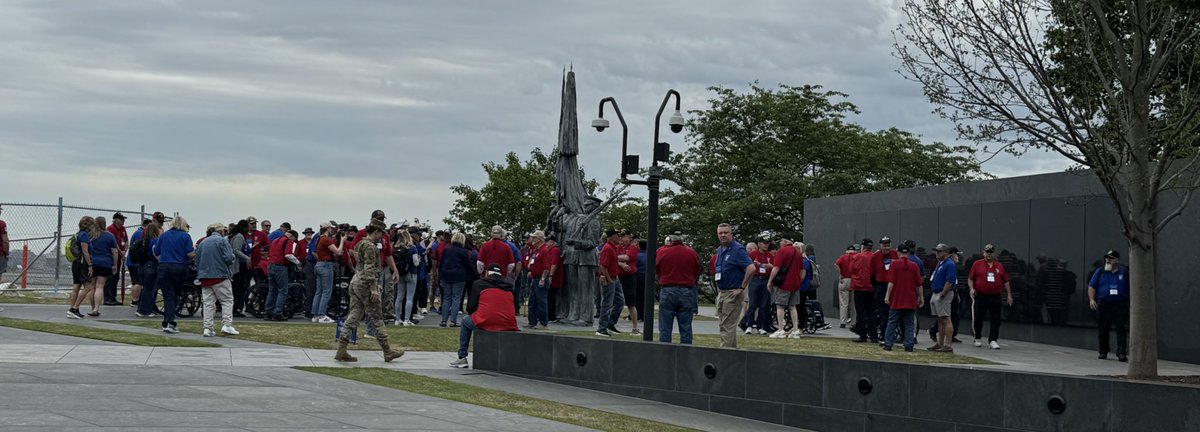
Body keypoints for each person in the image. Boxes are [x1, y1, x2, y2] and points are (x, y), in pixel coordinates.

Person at [334, 219, 404, 363]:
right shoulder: (371, 247)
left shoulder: (360, 244)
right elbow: (370, 269)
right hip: (365, 284)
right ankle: (387, 350)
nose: (381, 237)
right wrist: (374, 287)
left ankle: (341, 349)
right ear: (376, 231)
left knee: (353, 315)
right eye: (381, 233)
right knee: (377, 317)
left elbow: (355, 256)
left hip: (356, 281)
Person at [450, 264, 520, 368]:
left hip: (486, 320)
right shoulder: (509, 286)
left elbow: (471, 306)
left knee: (465, 322)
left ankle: (462, 357)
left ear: (487, 272)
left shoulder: (479, 284)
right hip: (508, 322)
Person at [714, 223, 755, 348]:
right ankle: (731, 352)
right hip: (722, 292)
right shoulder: (720, 250)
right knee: (724, 324)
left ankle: (725, 352)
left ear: (731, 234)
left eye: (726, 232)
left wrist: (741, 288)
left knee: (728, 325)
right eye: (720, 233)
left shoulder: (738, 249)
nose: (723, 235)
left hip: (732, 292)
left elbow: (751, 268)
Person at [656, 229, 701, 344]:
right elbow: (696, 271)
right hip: (686, 290)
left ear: (670, 238)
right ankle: (686, 355)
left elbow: (656, 269)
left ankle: (665, 353)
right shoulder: (691, 253)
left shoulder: (662, 252)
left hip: (667, 289)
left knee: (665, 326)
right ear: (683, 238)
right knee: (686, 326)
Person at [195, 223, 239, 337]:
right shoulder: (222, 241)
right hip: (220, 275)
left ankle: (207, 328)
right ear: (221, 231)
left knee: (208, 304)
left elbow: (197, 260)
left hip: (204, 276)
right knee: (227, 300)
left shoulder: (203, 242)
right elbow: (229, 257)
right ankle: (227, 325)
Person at [153, 216, 194, 334]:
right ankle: (170, 322)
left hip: (164, 267)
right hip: (180, 267)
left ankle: (167, 321)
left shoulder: (164, 235)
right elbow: (190, 253)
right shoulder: (185, 236)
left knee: (168, 295)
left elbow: (156, 251)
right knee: (175, 295)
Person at [1089, 250, 1130, 362]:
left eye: (1111, 258)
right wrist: (1092, 299)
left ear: (1117, 260)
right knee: (1103, 328)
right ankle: (1103, 351)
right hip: (1104, 304)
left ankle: (1121, 352)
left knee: (1121, 328)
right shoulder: (1100, 271)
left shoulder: (1124, 272)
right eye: (1107, 258)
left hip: (1120, 304)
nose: (1108, 260)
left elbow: (1131, 288)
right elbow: (1092, 286)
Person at [968, 244, 1012, 349]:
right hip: (981, 295)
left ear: (994, 253)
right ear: (983, 253)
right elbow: (970, 278)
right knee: (978, 318)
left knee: (996, 319)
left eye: (991, 252)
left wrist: (1009, 295)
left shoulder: (999, 266)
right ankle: (977, 337)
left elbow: (1006, 281)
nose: (989, 254)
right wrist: (971, 288)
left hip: (996, 296)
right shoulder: (977, 264)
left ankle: (993, 340)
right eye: (987, 252)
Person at [883, 243, 924, 352]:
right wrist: (921, 297)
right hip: (910, 300)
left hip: (897, 299)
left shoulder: (894, 265)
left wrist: (887, 296)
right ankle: (909, 345)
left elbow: (891, 283)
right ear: (908, 253)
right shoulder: (914, 266)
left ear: (898, 252)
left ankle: (888, 343)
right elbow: (919, 284)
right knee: (909, 323)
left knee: (892, 322)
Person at [767, 238, 807, 338]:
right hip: (795, 284)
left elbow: (776, 268)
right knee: (792, 307)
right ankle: (795, 330)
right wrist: (799, 281)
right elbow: (802, 271)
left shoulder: (782, 251)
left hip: (783, 283)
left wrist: (770, 281)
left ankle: (781, 330)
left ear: (783, 242)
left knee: (780, 306)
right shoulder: (798, 253)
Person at [81, 216, 118, 317]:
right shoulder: (109, 236)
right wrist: (115, 264)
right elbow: (114, 252)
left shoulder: (91, 236)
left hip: (93, 263)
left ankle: (93, 308)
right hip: (105, 263)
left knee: (92, 287)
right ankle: (97, 308)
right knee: (100, 286)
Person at [439, 232, 475, 327]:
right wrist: (473, 274)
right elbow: (468, 264)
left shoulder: (446, 250)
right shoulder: (463, 251)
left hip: (446, 275)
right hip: (459, 276)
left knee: (446, 298)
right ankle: (453, 321)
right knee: (456, 298)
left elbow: (441, 262)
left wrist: (440, 274)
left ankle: (444, 320)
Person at [311, 223, 344, 323]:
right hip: (326, 265)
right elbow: (338, 252)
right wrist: (342, 241)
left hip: (319, 264)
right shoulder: (325, 239)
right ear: (328, 228)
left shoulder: (319, 239)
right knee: (326, 292)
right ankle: (322, 315)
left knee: (319, 291)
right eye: (331, 228)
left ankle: (316, 315)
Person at [928, 243, 958, 353]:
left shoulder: (949, 264)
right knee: (940, 319)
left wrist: (943, 294)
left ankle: (948, 345)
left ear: (946, 252)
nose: (937, 253)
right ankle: (940, 343)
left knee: (946, 319)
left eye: (939, 251)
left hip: (943, 294)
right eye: (936, 251)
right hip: (937, 293)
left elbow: (950, 281)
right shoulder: (941, 263)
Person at [265, 229, 300, 321]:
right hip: (280, 267)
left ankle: (268, 312)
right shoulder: (288, 241)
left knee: (272, 290)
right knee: (283, 290)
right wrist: (297, 262)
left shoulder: (275, 240)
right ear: (292, 236)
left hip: (270, 265)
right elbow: (288, 255)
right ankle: (277, 313)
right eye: (294, 240)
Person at [596, 230, 625, 336]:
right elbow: (603, 265)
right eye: (618, 236)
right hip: (610, 278)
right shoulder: (608, 248)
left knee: (620, 301)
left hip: (615, 277)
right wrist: (608, 279)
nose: (620, 239)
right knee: (607, 303)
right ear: (611, 237)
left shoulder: (613, 248)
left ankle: (610, 323)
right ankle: (601, 328)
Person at [743, 240, 775, 335]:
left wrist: (770, 267)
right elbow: (747, 265)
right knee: (752, 303)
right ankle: (749, 325)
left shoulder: (770, 256)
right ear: (759, 244)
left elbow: (774, 267)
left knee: (763, 305)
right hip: (755, 279)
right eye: (764, 243)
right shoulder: (753, 254)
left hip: (765, 279)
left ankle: (760, 326)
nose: (766, 245)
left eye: (767, 243)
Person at [66, 216, 95, 319]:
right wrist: (90, 265)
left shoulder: (78, 234)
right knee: (88, 287)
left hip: (76, 263)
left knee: (77, 286)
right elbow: (85, 251)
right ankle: (75, 308)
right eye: (92, 225)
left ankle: (72, 309)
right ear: (89, 226)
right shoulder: (84, 236)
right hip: (83, 263)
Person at [870, 237, 898, 341]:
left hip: (894, 285)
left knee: (895, 311)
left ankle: (896, 334)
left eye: (888, 245)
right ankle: (884, 334)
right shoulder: (875, 256)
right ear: (880, 246)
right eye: (884, 246)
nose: (886, 248)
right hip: (881, 285)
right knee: (883, 312)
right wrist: (876, 288)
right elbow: (872, 274)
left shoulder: (895, 254)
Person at [850, 239, 877, 343]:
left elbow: (851, 269)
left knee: (861, 312)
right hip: (871, 288)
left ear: (862, 247)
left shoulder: (857, 257)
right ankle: (873, 336)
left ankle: (863, 335)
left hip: (859, 287)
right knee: (872, 313)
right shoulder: (874, 257)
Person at [134, 223, 163, 318]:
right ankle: (145, 311)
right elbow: (157, 254)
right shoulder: (155, 241)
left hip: (141, 266)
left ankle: (140, 308)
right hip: (151, 266)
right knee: (150, 289)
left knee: (145, 288)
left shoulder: (143, 241)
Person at [393, 228, 420, 326]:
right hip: (411, 273)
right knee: (409, 298)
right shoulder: (412, 247)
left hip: (400, 273)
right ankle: (407, 319)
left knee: (399, 297)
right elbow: (416, 262)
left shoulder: (396, 247)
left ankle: (397, 319)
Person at [616, 230, 641, 334]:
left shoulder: (633, 247)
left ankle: (635, 327)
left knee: (631, 303)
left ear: (629, 238)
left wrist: (617, 258)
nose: (621, 239)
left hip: (629, 277)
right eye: (620, 237)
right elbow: (610, 258)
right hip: (618, 276)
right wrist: (621, 264)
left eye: (624, 237)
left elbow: (627, 257)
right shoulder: (617, 247)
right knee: (615, 301)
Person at [525, 231, 550, 329]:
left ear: (539, 239)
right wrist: (531, 271)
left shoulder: (544, 250)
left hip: (540, 278)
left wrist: (543, 279)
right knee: (532, 301)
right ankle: (532, 321)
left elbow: (546, 267)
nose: (533, 240)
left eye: (535, 238)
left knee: (541, 301)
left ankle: (543, 322)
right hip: (534, 277)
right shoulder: (536, 250)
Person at [102, 213, 129, 305]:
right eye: (121, 219)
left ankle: (113, 297)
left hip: (119, 255)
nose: (123, 221)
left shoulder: (123, 229)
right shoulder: (110, 229)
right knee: (110, 277)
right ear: (115, 220)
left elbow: (126, 241)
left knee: (116, 277)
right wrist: (120, 251)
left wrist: (124, 250)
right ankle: (107, 297)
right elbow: (113, 243)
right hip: (112, 256)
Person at [227, 220, 252, 317]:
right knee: (237, 288)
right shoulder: (239, 236)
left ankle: (235, 308)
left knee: (237, 288)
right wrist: (247, 258)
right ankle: (234, 309)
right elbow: (236, 250)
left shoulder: (235, 235)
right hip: (238, 266)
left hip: (239, 265)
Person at [126, 218, 150, 308]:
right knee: (138, 282)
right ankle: (135, 300)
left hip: (132, 261)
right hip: (135, 262)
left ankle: (135, 299)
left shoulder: (137, 232)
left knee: (136, 282)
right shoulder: (140, 233)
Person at [834, 244, 856, 329]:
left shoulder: (843, 257)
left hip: (844, 279)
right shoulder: (856, 256)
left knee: (843, 303)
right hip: (854, 280)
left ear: (846, 251)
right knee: (854, 303)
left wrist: (840, 274)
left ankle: (843, 322)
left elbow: (836, 264)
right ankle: (853, 322)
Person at [545, 235, 563, 323]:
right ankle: (549, 314)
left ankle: (551, 316)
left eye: (548, 241)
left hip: (554, 278)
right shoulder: (550, 250)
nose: (546, 243)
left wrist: (550, 276)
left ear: (552, 242)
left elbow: (554, 264)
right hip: (549, 276)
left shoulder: (555, 250)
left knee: (551, 296)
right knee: (549, 296)